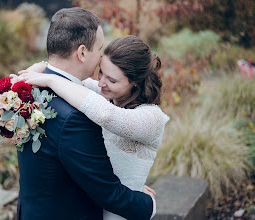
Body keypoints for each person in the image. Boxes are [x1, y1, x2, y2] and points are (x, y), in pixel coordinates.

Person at [15, 7, 156, 220]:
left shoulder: (27, 91)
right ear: (82, 53)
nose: (100, 56)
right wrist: (149, 205)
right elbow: (109, 193)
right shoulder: (75, 118)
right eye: (99, 48)